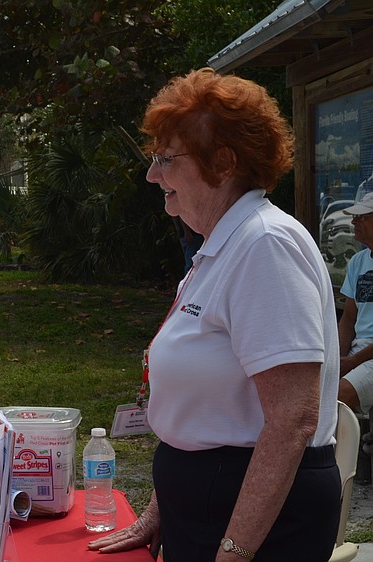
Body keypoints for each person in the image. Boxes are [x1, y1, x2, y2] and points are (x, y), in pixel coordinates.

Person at [89, 68, 341, 561]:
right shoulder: (221, 247)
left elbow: (293, 419)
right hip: (211, 508)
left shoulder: (264, 244)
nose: (151, 174)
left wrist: (233, 551)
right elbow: (206, 409)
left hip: (258, 523)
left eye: (166, 159)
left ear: (222, 163)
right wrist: (163, 507)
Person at [337, 192, 373, 414]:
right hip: (357, 353)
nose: (353, 222)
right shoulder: (358, 261)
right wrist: (338, 361)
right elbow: (348, 319)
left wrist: (351, 363)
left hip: (366, 356)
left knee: (335, 397)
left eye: (361, 217)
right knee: (311, 390)